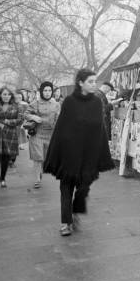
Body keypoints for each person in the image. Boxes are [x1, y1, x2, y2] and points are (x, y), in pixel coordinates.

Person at [43, 68, 114, 236]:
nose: (94, 85)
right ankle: (66, 222)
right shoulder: (69, 101)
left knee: (83, 188)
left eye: (95, 81)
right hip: (69, 153)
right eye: (90, 81)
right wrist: (58, 152)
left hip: (88, 155)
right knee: (66, 188)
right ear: (80, 83)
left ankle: (76, 211)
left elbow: (99, 129)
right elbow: (61, 127)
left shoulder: (97, 102)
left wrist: (102, 153)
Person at [0, 86, 23, 194]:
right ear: (0, 95)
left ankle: (2, 178)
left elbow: (20, 120)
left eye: (8, 94)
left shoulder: (17, 106)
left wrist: (7, 122)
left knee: (5, 159)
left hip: (10, 136)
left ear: (11, 96)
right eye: (4, 94)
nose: (6, 96)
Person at [26, 81, 61, 188]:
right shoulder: (34, 103)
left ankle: (40, 170)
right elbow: (26, 114)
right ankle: (37, 179)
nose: (47, 93)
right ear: (41, 91)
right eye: (45, 90)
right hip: (37, 133)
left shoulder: (56, 104)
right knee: (37, 157)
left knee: (45, 158)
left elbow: (59, 118)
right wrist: (33, 117)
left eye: (49, 90)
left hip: (51, 134)